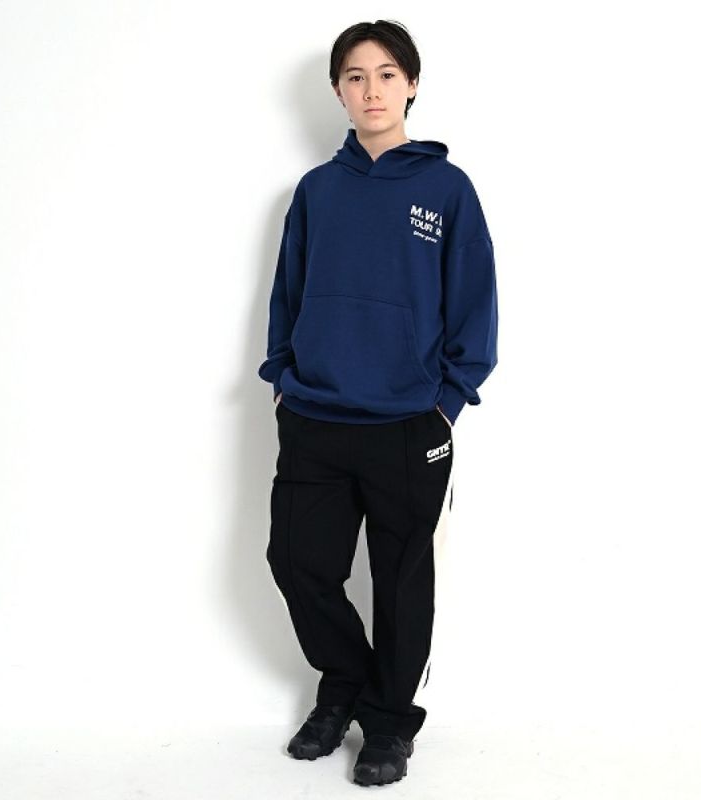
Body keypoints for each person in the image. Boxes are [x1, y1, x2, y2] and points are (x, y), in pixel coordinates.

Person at [257, 19, 498, 786]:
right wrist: (284, 377)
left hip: (408, 424)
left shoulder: (447, 191)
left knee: (401, 583)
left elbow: (475, 307)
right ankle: (345, 685)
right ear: (338, 90)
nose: (372, 90)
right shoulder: (317, 191)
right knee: (297, 562)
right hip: (316, 417)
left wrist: (446, 402)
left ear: (412, 85)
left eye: (387, 74)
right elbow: (288, 292)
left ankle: (390, 724)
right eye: (356, 76)